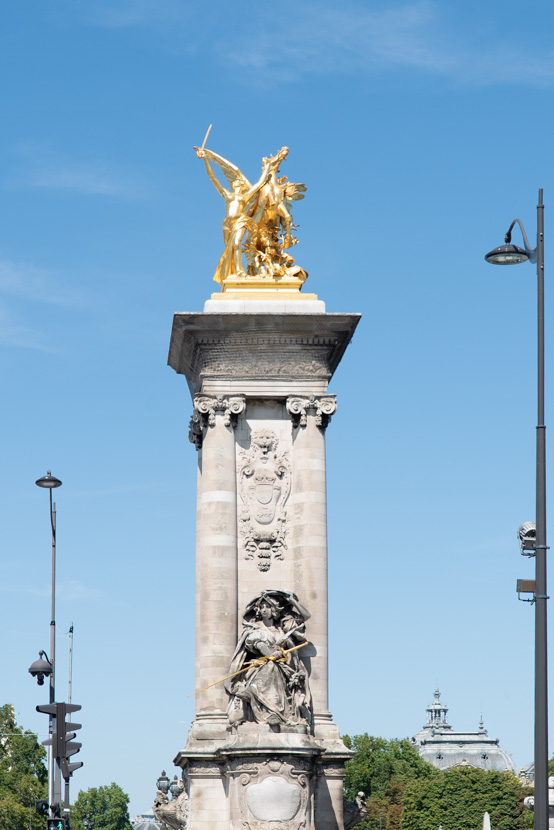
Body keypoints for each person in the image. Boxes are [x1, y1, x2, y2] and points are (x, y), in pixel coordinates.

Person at [225, 590, 312, 729]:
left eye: (268, 607)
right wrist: (270, 654)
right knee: (270, 666)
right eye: (262, 607)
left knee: (273, 667)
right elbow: (256, 643)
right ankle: (265, 706)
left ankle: (269, 708)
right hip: (261, 665)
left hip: (283, 667)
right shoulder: (255, 628)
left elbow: (306, 616)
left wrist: (292, 601)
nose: (264, 610)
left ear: (274, 610)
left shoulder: (282, 628)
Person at [194, 146, 270, 283]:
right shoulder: (227, 194)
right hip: (227, 223)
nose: (236, 182)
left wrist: (268, 168)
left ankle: (240, 271)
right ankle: (233, 271)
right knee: (228, 250)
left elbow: (259, 184)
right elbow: (213, 177)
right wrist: (205, 159)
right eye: (235, 182)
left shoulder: (245, 196)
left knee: (236, 245)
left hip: (240, 221)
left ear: (241, 185)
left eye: (238, 182)